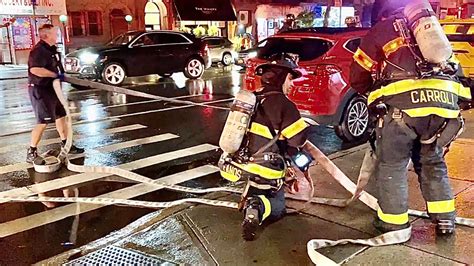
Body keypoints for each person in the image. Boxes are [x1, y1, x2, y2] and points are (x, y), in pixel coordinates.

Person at [350, 0, 471, 236]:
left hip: (401, 112)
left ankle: (393, 223)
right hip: (443, 112)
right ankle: (445, 219)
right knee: (433, 163)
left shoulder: (382, 29)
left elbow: (358, 73)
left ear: (382, 14)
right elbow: (457, 74)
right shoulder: (433, 32)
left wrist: (370, 93)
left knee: (392, 166)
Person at [219, 54, 309, 241]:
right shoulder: (285, 104)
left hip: (239, 164)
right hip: (265, 168)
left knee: (257, 186)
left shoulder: (253, 99)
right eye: (291, 79)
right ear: (282, 77)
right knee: (278, 207)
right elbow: (297, 141)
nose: (292, 84)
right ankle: (256, 207)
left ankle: (253, 198)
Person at [27, 24, 84, 163]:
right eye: (54, 33)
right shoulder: (38, 51)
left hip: (53, 90)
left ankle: (66, 144)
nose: (57, 35)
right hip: (41, 90)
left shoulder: (51, 49)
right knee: (43, 122)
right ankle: (31, 151)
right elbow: (35, 69)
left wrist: (61, 75)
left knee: (61, 117)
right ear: (47, 35)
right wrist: (54, 75)